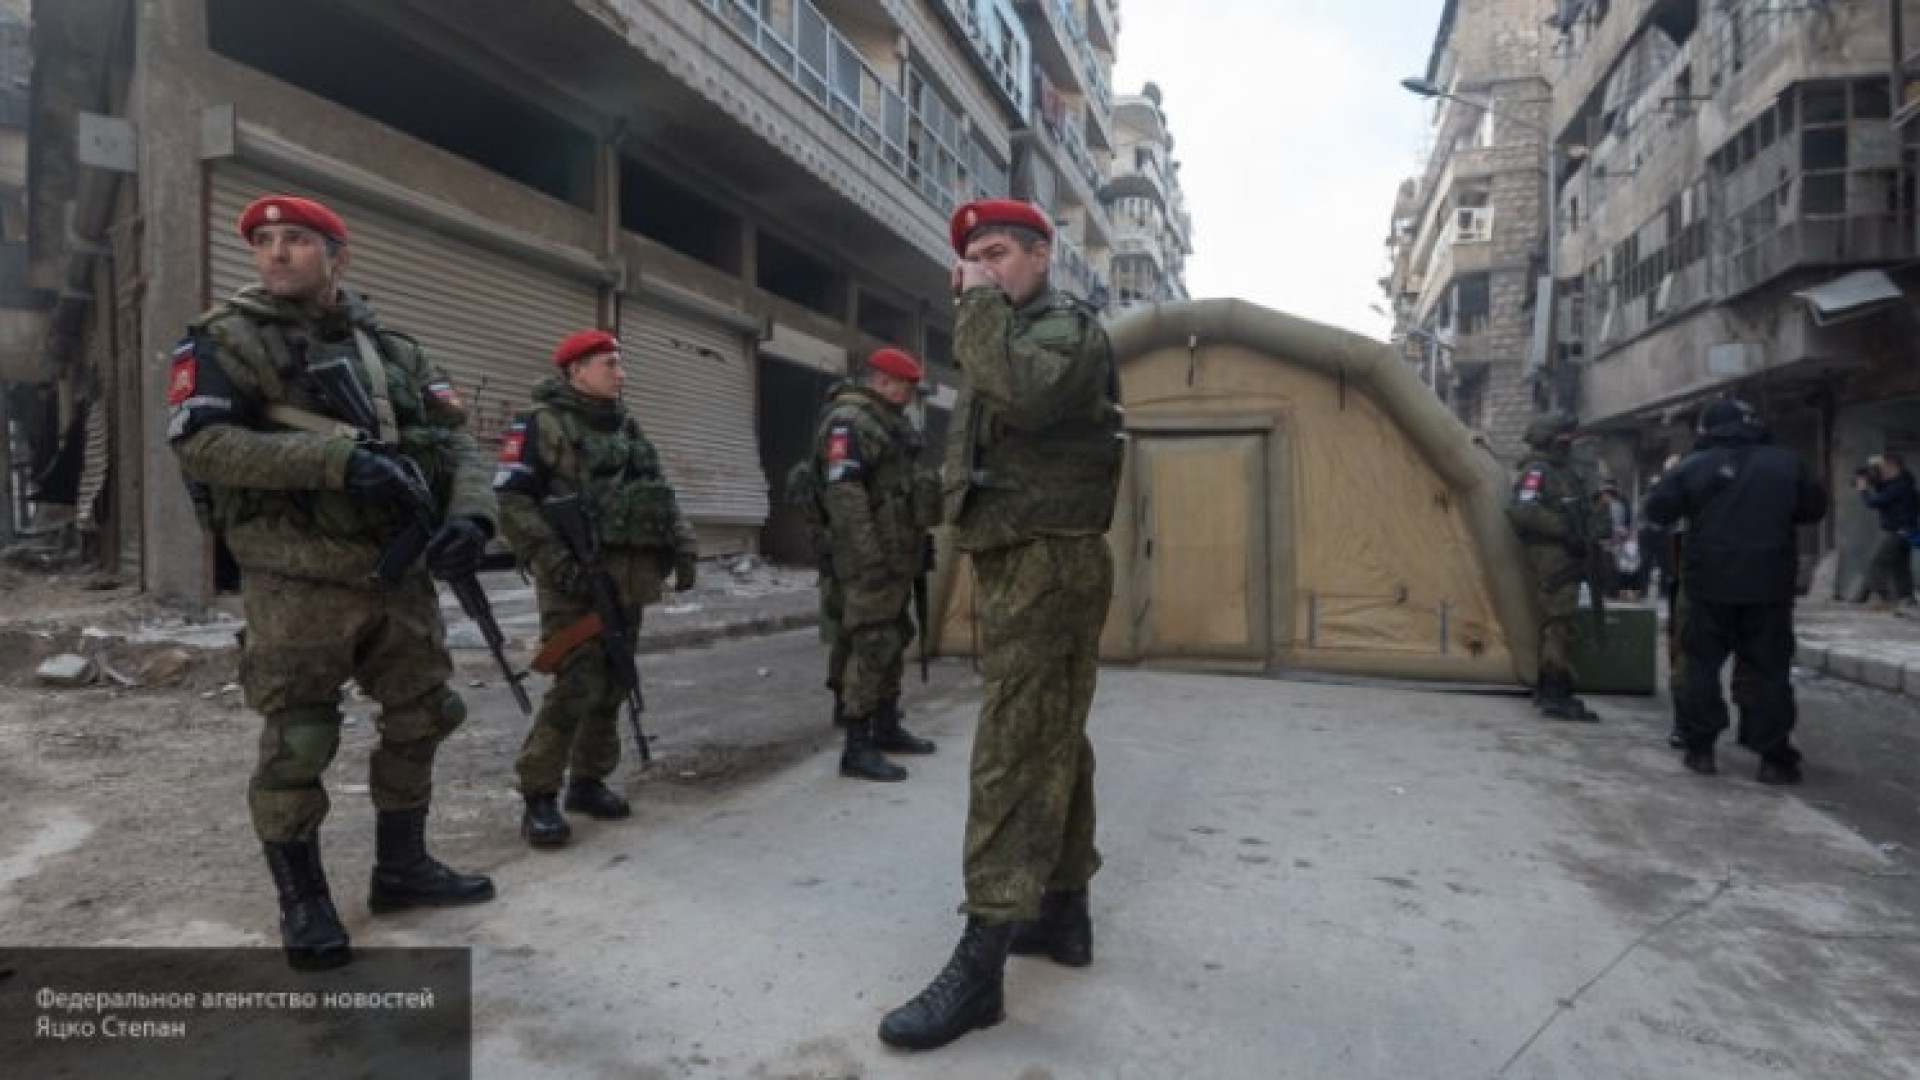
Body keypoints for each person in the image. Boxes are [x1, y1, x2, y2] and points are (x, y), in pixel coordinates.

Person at [169, 194, 497, 971]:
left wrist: (473, 521)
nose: (277, 253)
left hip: (400, 576)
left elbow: (459, 449)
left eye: (297, 240)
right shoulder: (225, 339)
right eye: (265, 241)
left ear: (337, 257)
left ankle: (402, 867)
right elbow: (203, 444)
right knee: (300, 737)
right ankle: (305, 903)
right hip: (297, 582)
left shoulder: (395, 349)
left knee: (425, 714)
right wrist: (337, 460)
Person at [878, 199, 1124, 1052]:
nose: (981, 269)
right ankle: (1064, 912)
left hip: (1050, 560)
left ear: (1039, 256)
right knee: (1055, 737)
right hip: (1017, 555)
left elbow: (1025, 392)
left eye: (997, 254)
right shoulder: (1012, 331)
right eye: (973, 256)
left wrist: (977, 302)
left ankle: (980, 968)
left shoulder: (1065, 331)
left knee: (1013, 751)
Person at [493, 329, 698, 847]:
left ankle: (588, 781)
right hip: (574, 581)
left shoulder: (627, 426)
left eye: (620, 363)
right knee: (575, 684)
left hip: (629, 578)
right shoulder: (540, 424)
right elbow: (513, 500)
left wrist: (683, 545)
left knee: (612, 682)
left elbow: (658, 490)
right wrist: (555, 561)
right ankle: (539, 795)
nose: (620, 373)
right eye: (609, 363)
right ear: (575, 370)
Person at [1643, 398, 1826, 783]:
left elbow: (1658, 511)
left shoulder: (1694, 465)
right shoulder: (1787, 462)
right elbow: (1812, 509)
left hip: (1708, 583)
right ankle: (1774, 757)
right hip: (1770, 584)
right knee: (1770, 669)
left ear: (1707, 430)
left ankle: (1701, 749)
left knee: (1701, 665)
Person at [811, 346, 942, 783]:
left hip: (895, 556)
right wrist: (869, 559)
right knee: (870, 645)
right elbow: (845, 496)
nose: (910, 394)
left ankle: (885, 725)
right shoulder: (851, 422)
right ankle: (857, 745)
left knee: (892, 637)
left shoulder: (888, 424)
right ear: (883, 381)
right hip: (870, 561)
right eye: (905, 385)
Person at [1505, 412, 1610, 722]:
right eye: (1565, 437)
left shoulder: (1566, 472)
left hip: (1568, 554)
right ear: (1551, 440)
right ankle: (1554, 692)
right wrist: (1564, 532)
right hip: (1552, 555)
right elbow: (1522, 510)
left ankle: (1554, 687)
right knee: (1559, 623)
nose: (1570, 443)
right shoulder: (1538, 471)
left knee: (1562, 622)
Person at [1856, 451, 1918, 615]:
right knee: (1900, 567)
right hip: (1908, 532)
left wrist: (1863, 490)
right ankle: (1907, 599)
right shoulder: (1905, 482)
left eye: (1882, 467)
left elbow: (1874, 502)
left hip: (1899, 532)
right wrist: (1871, 481)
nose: (1880, 470)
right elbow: (1885, 488)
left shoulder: (1899, 487)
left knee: (1876, 563)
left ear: (1892, 466)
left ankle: (1879, 598)